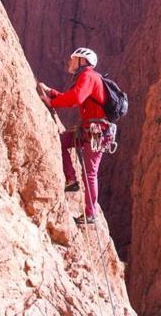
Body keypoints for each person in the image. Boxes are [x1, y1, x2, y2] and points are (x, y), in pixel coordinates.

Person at [38, 47, 110, 225]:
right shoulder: (88, 77)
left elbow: (76, 98)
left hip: (95, 133)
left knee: (90, 173)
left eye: (74, 59)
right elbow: (73, 96)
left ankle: (91, 214)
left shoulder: (89, 76)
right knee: (61, 142)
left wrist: (52, 102)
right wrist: (53, 94)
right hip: (89, 130)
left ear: (82, 61)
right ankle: (70, 179)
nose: (71, 62)